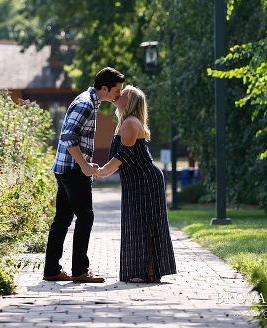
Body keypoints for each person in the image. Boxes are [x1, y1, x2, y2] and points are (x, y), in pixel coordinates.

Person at [42, 67, 125, 283]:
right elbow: (68, 136)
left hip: (66, 168)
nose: (119, 94)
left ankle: (51, 270)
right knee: (85, 217)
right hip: (73, 170)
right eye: (117, 90)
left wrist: (86, 163)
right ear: (105, 88)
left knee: (63, 219)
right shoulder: (86, 104)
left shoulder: (88, 101)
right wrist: (84, 166)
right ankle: (80, 271)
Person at [96, 86, 177, 282]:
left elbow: (122, 156)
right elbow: (121, 158)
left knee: (144, 225)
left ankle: (146, 272)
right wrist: (102, 172)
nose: (118, 94)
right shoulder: (125, 122)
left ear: (130, 101)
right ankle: (148, 272)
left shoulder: (130, 123)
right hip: (136, 180)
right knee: (139, 224)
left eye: (123, 93)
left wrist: (101, 172)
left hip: (145, 180)